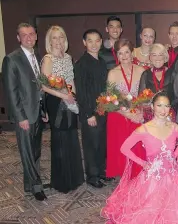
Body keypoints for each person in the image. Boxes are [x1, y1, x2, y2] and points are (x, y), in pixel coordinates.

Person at [102, 92, 178, 224]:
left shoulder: (175, 127)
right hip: (152, 179)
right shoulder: (144, 129)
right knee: (148, 212)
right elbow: (124, 148)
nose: (163, 109)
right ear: (153, 107)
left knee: (177, 216)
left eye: (167, 106)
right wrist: (143, 163)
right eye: (159, 105)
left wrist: (173, 156)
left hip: (172, 177)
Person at [2, 23, 47, 201]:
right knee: (27, 151)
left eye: (31, 34)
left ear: (36, 36)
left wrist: (43, 110)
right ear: (18, 38)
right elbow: (11, 92)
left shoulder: (36, 56)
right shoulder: (12, 59)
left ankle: (29, 184)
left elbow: (38, 87)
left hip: (37, 112)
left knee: (35, 150)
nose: (29, 37)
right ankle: (36, 186)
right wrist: (21, 117)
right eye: (24, 35)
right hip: (24, 116)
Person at [41, 25, 84, 194]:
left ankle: (74, 177)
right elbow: (44, 85)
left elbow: (71, 80)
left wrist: (73, 97)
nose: (58, 41)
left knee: (72, 134)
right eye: (54, 38)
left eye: (61, 37)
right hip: (55, 101)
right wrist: (63, 96)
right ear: (49, 41)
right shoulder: (48, 59)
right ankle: (62, 181)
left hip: (69, 99)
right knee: (60, 137)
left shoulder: (68, 57)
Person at [106, 39, 146, 179]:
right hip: (119, 115)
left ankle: (139, 172)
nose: (124, 56)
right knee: (122, 145)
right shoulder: (112, 73)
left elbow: (146, 95)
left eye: (127, 52)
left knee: (138, 146)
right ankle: (124, 174)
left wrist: (140, 112)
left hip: (138, 112)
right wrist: (127, 114)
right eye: (120, 53)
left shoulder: (141, 71)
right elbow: (109, 101)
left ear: (132, 53)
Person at [74, 29, 108, 188]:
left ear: (101, 42)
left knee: (101, 143)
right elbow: (80, 91)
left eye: (97, 40)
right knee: (91, 144)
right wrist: (88, 114)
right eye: (90, 41)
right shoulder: (82, 64)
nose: (94, 44)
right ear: (84, 43)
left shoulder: (101, 61)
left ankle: (102, 172)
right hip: (90, 112)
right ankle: (92, 176)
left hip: (102, 110)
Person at [138, 43, 176, 122]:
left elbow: (177, 97)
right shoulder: (145, 74)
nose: (157, 58)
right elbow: (141, 99)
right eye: (154, 55)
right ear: (150, 57)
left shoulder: (172, 73)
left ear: (165, 57)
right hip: (150, 116)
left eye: (160, 55)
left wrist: (167, 109)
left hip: (169, 115)